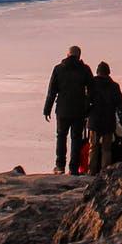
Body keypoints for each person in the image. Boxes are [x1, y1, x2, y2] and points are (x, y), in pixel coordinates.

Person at [43, 45, 92, 175]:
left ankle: (60, 166)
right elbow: (92, 90)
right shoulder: (85, 70)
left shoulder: (59, 69)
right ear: (79, 56)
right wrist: (89, 107)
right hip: (79, 110)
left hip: (63, 110)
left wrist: (47, 108)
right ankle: (73, 168)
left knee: (61, 136)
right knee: (76, 138)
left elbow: (52, 91)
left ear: (67, 55)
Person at [87, 60, 122, 177]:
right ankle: (105, 173)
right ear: (108, 72)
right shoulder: (114, 86)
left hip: (94, 121)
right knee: (106, 149)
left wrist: (86, 113)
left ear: (97, 72)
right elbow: (121, 103)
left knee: (93, 147)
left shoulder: (92, 84)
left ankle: (91, 172)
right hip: (108, 121)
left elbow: (87, 101)